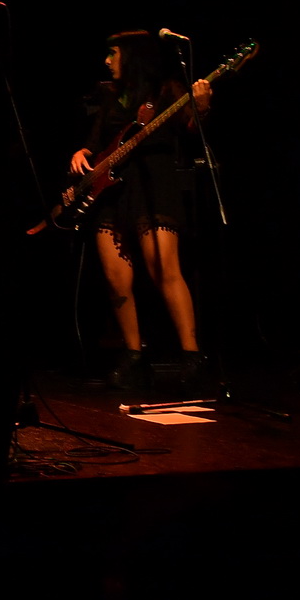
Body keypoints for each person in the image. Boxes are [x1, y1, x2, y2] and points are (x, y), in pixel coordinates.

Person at [68, 31, 212, 385]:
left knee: (165, 270)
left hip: (154, 184)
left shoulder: (166, 90)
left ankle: (192, 355)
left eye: (113, 53)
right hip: (112, 191)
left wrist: (201, 106)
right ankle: (133, 355)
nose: (107, 61)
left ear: (133, 56)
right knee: (116, 278)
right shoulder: (111, 95)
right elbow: (96, 141)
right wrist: (82, 152)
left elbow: (191, 129)